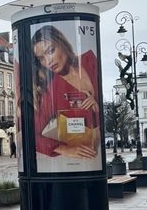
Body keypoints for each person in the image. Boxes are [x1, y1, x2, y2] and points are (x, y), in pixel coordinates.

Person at [31, 25, 99, 160]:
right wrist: (63, 149)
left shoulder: (89, 59)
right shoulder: (51, 91)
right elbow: (31, 135)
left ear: (62, 43)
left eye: (50, 51)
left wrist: (98, 105)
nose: (47, 61)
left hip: (101, 155)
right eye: (41, 58)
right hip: (85, 159)